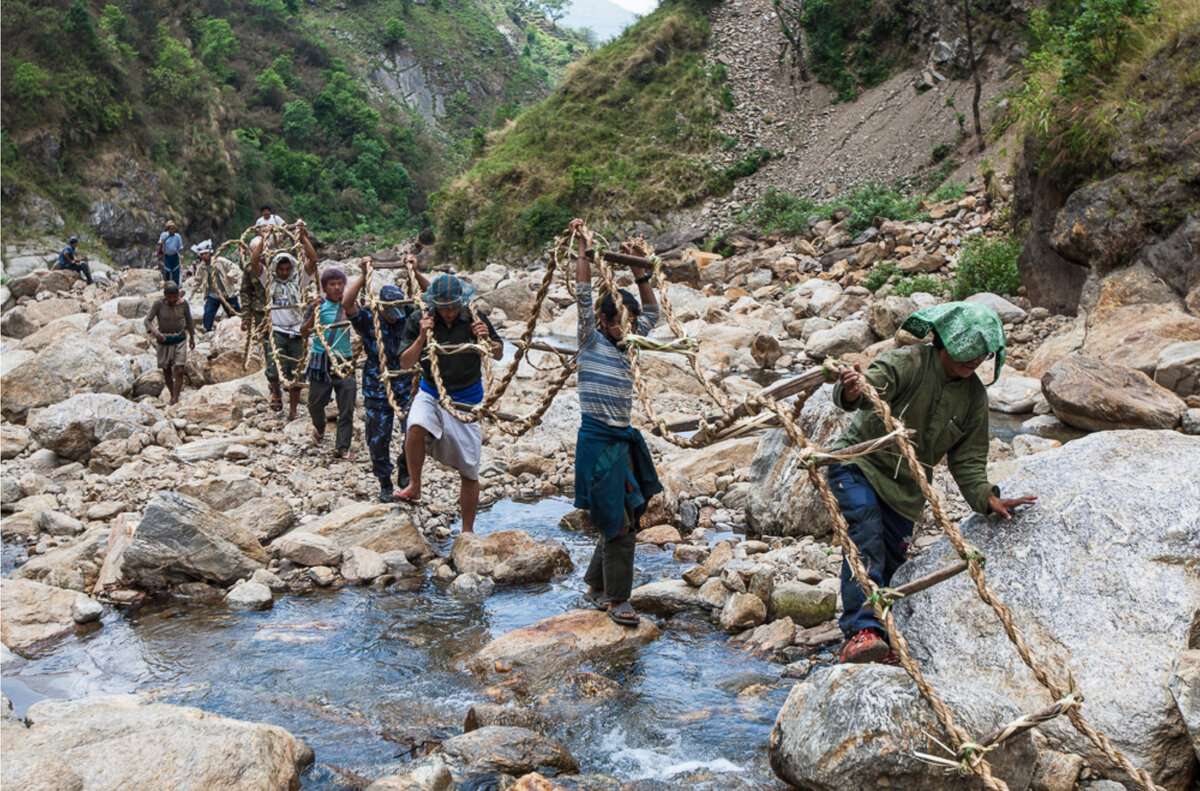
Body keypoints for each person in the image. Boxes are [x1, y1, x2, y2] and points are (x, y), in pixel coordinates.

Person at [830, 301, 1038, 665]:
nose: (974, 361)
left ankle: (882, 636)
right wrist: (850, 390)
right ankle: (861, 632)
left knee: (894, 562)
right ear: (945, 342)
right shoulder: (907, 363)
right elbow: (867, 392)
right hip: (858, 464)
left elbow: (968, 460)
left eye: (981, 355)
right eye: (967, 352)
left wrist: (988, 499)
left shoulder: (974, 397)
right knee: (865, 535)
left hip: (907, 491)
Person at [567, 220, 664, 627]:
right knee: (618, 525)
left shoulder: (631, 342)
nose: (627, 329)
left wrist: (641, 273)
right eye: (620, 323)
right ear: (606, 322)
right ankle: (618, 599)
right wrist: (584, 253)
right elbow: (584, 297)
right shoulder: (591, 340)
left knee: (624, 511)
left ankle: (595, 584)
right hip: (598, 443)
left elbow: (654, 312)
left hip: (621, 441)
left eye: (630, 323)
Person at [395, 273, 502, 533]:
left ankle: (467, 530)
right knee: (416, 426)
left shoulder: (474, 315)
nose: (451, 312)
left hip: (468, 398)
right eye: (446, 308)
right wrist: (422, 336)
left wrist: (486, 338)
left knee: (469, 469)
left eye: (455, 306)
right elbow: (404, 363)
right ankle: (415, 485)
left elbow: (498, 354)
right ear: (435, 304)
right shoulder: (419, 318)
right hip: (431, 391)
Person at [343, 254, 431, 501]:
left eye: (397, 311)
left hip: (407, 383)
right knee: (378, 438)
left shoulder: (409, 316)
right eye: (390, 311)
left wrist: (415, 271)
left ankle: (406, 468)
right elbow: (347, 305)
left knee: (413, 432)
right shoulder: (369, 319)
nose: (395, 315)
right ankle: (384, 481)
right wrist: (362, 275)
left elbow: (432, 297)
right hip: (377, 384)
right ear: (381, 306)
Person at [247, 222, 318, 419]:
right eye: (281, 269)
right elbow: (254, 262)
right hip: (277, 330)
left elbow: (313, 259)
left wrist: (303, 237)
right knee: (273, 367)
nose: (285, 272)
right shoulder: (269, 280)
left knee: (297, 370)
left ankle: (293, 409)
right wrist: (263, 238)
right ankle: (276, 393)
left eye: (288, 268)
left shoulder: (299, 280)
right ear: (276, 269)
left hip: (297, 331)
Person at [300, 266, 357, 460]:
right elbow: (304, 331)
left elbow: (363, 322)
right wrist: (314, 313)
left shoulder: (349, 305)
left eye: (340, 283)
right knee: (315, 404)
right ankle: (320, 426)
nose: (337, 287)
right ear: (325, 287)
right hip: (320, 360)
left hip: (345, 360)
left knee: (347, 407)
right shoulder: (317, 305)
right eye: (332, 284)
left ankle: (342, 447)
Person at [144, 282, 196, 405]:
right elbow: (147, 320)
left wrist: (192, 337)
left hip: (180, 339)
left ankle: (175, 398)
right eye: (169, 297)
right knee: (166, 369)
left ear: (178, 295)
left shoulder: (183, 304)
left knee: (179, 368)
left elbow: (189, 321)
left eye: (174, 297)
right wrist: (155, 332)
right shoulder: (158, 304)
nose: (172, 300)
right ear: (165, 296)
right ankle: (172, 393)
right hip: (164, 339)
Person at [191, 240, 241, 331]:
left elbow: (235, 268)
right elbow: (197, 282)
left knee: (235, 314)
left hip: (227, 293)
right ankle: (207, 331)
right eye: (201, 254)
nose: (203, 256)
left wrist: (230, 275)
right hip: (213, 295)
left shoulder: (220, 261)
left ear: (210, 253)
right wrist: (190, 297)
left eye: (205, 253)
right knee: (208, 313)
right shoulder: (202, 267)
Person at [157, 221, 185, 285]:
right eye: (170, 229)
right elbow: (159, 243)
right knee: (167, 271)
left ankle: (176, 286)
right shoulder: (164, 235)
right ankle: (168, 285)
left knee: (176, 271)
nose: (172, 230)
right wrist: (162, 242)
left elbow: (180, 247)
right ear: (168, 229)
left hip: (174, 256)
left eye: (173, 229)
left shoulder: (177, 236)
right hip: (167, 256)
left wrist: (181, 255)